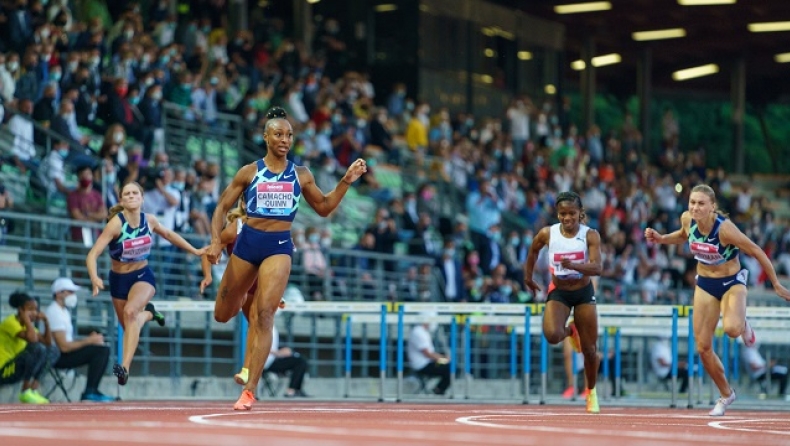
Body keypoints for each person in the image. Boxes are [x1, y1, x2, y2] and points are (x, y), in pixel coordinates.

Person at [206, 106, 366, 410]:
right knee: (222, 314)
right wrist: (216, 242)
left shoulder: (301, 174)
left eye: (289, 135)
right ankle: (246, 294)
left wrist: (345, 180)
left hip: (278, 245)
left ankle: (250, 390)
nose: (285, 139)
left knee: (265, 315)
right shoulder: (249, 172)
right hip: (248, 243)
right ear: (266, 137)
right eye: (278, 134)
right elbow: (221, 207)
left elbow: (323, 207)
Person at [645, 184, 790, 416]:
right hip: (705, 283)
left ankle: (743, 324)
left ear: (713, 206)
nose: (695, 207)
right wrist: (662, 238)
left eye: (701, 203)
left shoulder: (725, 230)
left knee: (732, 329)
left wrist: (776, 284)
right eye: (692, 202)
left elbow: (756, 251)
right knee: (703, 347)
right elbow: (683, 236)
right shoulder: (686, 219)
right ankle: (726, 395)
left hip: (732, 282)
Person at [86, 182, 207, 386]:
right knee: (130, 325)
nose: (131, 196)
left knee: (131, 312)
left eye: (135, 193)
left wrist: (194, 251)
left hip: (142, 276)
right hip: (118, 280)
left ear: (142, 198)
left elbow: (169, 235)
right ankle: (149, 312)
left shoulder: (149, 220)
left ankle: (123, 368)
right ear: (122, 200)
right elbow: (92, 254)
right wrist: (94, 277)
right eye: (127, 193)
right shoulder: (116, 224)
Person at [523, 191, 603, 413]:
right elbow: (533, 251)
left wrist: (575, 266)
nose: (567, 218)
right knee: (552, 335)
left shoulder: (590, 235)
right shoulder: (548, 234)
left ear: (580, 214)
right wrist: (528, 277)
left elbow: (598, 267)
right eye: (562, 214)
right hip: (559, 291)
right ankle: (571, 331)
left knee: (589, 350)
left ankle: (591, 392)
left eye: (572, 214)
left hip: (583, 292)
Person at [198, 200, 285, 387]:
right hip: (238, 283)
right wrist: (207, 276)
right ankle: (237, 300)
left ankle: (246, 371)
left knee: (256, 320)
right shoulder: (234, 228)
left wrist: (278, 292)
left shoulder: (275, 227)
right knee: (221, 316)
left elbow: (281, 264)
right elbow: (208, 252)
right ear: (244, 205)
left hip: (260, 285)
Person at [44, 278, 115, 402]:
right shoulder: (54, 312)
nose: (73, 295)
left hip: (63, 354)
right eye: (70, 292)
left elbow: (67, 341)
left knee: (101, 349)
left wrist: (90, 340)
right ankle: (90, 391)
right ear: (59, 293)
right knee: (101, 351)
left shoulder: (63, 311)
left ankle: (92, 390)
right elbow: (64, 347)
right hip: (57, 357)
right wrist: (89, 341)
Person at [0, 291, 56, 404]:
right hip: (3, 370)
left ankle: (32, 390)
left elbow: (48, 343)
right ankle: (25, 391)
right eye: (30, 309)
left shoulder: (29, 327)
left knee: (53, 351)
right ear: (20, 310)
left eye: (36, 310)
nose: (34, 313)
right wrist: (26, 319)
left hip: (16, 368)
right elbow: (33, 340)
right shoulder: (10, 322)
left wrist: (46, 322)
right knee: (36, 348)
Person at [407, 318, 451, 395]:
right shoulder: (418, 332)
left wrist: (443, 358)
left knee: (450, 365)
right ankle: (438, 389)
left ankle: (438, 389)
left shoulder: (423, 332)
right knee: (449, 368)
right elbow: (427, 353)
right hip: (423, 365)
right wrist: (443, 359)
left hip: (429, 362)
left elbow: (430, 353)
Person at [263, 324, 309, 398]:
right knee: (299, 361)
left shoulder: (272, 327)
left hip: (274, 359)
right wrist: (278, 353)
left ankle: (295, 389)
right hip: (267, 363)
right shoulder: (262, 326)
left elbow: (274, 345)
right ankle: (291, 390)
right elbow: (259, 348)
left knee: (300, 360)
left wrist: (284, 351)